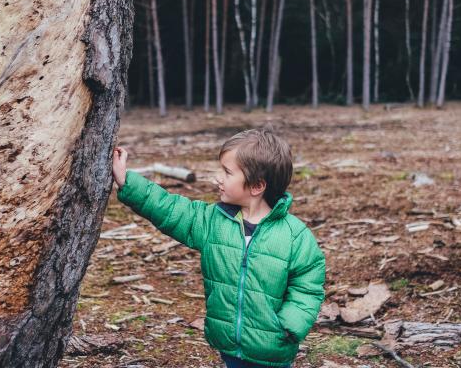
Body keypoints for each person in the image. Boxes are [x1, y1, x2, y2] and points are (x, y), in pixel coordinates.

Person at [112, 128, 325, 367]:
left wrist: (290, 325)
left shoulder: (294, 235)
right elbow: (170, 209)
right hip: (228, 344)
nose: (217, 178)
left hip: (272, 349)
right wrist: (127, 181)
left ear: (256, 186)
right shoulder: (213, 221)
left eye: (227, 172)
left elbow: (308, 285)